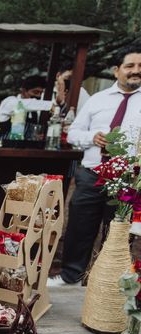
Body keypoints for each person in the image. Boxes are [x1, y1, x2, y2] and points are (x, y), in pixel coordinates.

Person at [48, 46, 141, 287]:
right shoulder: (97, 99)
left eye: (140, 67)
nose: (136, 71)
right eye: (130, 66)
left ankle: (107, 281)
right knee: (80, 226)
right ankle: (71, 277)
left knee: (118, 232)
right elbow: (74, 133)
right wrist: (93, 137)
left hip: (128, 178)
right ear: (116, 70)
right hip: (92, 174)